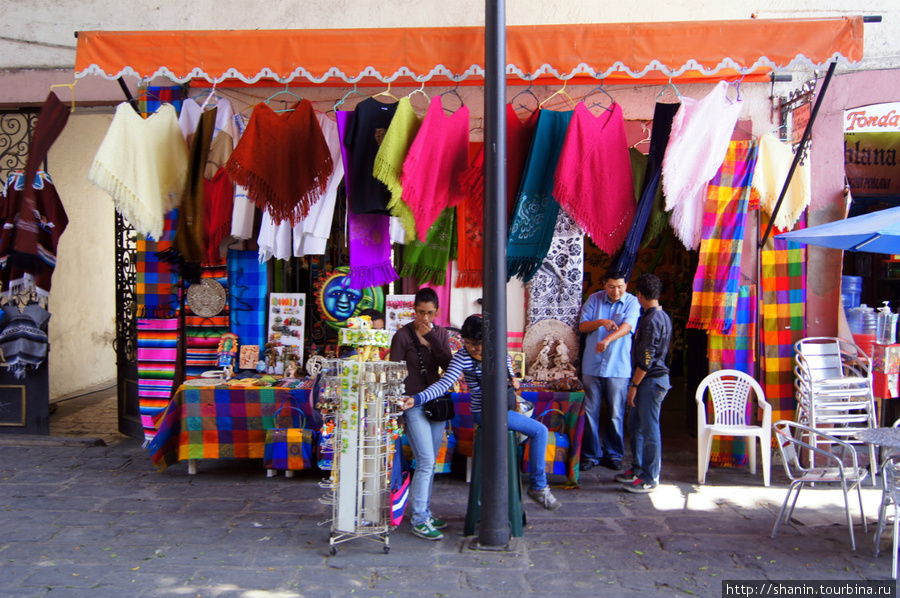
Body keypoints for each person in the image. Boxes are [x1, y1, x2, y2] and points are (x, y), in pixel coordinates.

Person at [403, 314, 562, 516]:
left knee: (538, 431)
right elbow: (444, 384)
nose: (472, 348)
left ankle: (524, 492)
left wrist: (513, 380)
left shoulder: (499, 351)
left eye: (477, 344)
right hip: (483, 413)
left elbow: (510, 373)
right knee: (540, 431)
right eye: (468, 343)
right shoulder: (462, 357)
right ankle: (538, 487)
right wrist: (417, 399)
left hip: (506, 408)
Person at [389, 288, 453, 541]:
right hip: (411, 404)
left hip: (435, 403)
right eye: (420, 312)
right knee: (425, 460)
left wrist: (434, 342)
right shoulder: (402, 336)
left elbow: (449, 367)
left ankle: (423, 510)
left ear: (437, 312)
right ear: (413, 310)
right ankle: (419, 519)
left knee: (430, 461)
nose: (424, 318)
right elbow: (394, 375)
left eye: (429, 313)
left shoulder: (441, 334)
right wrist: (397, 414)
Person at [578, 271, 641, 472]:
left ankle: (614, 454)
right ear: (604, 285)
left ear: (626, 285)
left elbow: (627, 327)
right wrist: (601, 323)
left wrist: (607, 338)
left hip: (618, 367)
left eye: (620, 286)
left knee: (616, 413)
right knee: (590, 412)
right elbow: (583, 326)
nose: (616, 291)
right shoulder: (594, 299)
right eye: (611, 286)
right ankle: (591, 454)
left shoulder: (632, 302)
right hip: (592, 365)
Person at [616, 273, 672, 494]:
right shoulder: (662, 316)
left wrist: (634, 386)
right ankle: (638, 469)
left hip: (650, 381)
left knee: (649, 429)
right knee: (636, 426)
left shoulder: (650, 321)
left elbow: (647, 358)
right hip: (652, 379)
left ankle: (650, 476)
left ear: (639, 294)